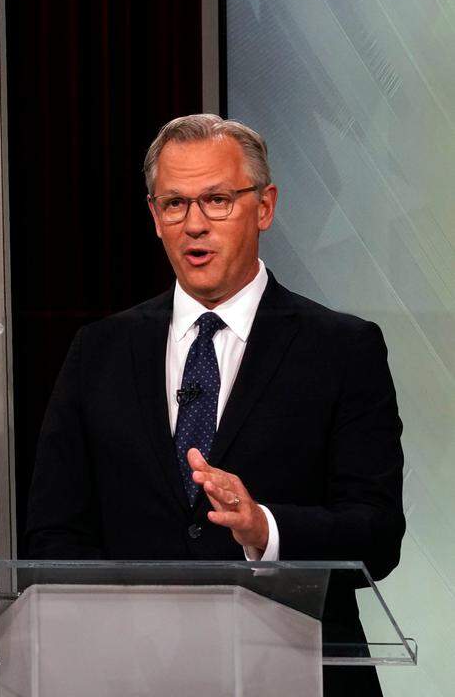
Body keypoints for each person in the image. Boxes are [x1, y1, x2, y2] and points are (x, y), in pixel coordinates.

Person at [24, 114, 405, 697]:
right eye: (175, 204)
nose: (194, 225)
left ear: (265, 206)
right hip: (132, 678)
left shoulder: (343, 349)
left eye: (218, 200)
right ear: (154, 217)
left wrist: (264, 528)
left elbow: (377, 533)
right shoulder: (99, 350)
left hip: (295, 674)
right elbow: (53, 534)